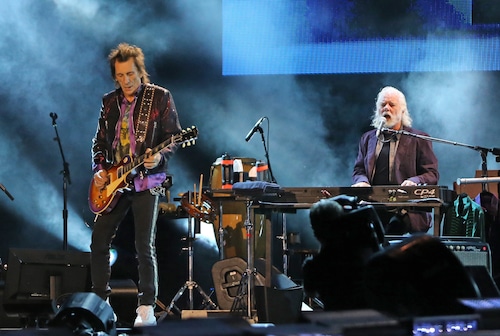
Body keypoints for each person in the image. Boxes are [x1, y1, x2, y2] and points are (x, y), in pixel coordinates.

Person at [90, 42, 182, 327]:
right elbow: (100, 143)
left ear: (140, 72)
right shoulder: (109, 102)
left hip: (146, 181)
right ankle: (101, 303)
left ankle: (146, 308)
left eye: (130, 74)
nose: (126, 81)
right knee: (98, 242)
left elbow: (174, 136)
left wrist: (159, 157)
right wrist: (99, 169)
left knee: (144, 245)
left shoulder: (160, 98)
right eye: (120, 76)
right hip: (113, 182)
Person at [352, 86, 439, 234]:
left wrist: (415, 181)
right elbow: (359, 169)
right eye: (382, 105)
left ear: (402, 111)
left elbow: (432, 173)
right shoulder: (367, 138)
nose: (386, 108)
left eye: (391, 105)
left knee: (392, 229)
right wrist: (361, 181)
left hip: (406, 209)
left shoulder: (419, 139)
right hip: (373, 205)